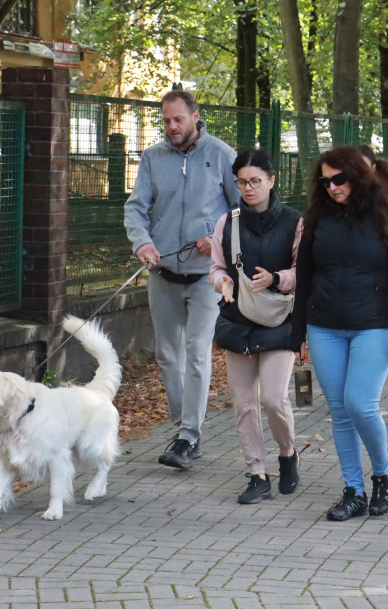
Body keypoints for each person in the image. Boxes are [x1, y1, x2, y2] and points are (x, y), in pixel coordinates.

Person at [292, 146, 388, 521]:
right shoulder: (317, 217)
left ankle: (383, 475)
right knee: (340, 412)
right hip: (324, 325)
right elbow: (305, 277)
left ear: (357, 175)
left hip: (374, 324)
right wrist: (297, 332)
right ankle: (353, 490)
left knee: (360, 404)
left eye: (339, 179)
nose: (332, 187)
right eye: (325, 181)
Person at [124, 88, 240, 471]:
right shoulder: (154, 157)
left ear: (195, 116)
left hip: (207, 277)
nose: (172, 127)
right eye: (166, 121)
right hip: (163, 272)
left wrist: (219, 237)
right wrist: (142, 243)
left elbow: (243, 211)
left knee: (196, 351)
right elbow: (136, 207)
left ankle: (189, 434)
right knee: (167, 355)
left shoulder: (221, 155)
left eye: (178, 119)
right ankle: (182, 431)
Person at [209, 148, 304, 503]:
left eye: (255, 181)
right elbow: (216, 268)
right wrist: (224, 283)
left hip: (279, 320)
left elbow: (303, 271)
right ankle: (256, 473)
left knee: (273, 399)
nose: (248, 188)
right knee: (244, 403)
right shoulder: (227, 222)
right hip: (238, 321)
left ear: (271, 180)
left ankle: (288, 453)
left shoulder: (295, 221)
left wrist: (277, 278)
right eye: (242, 182)